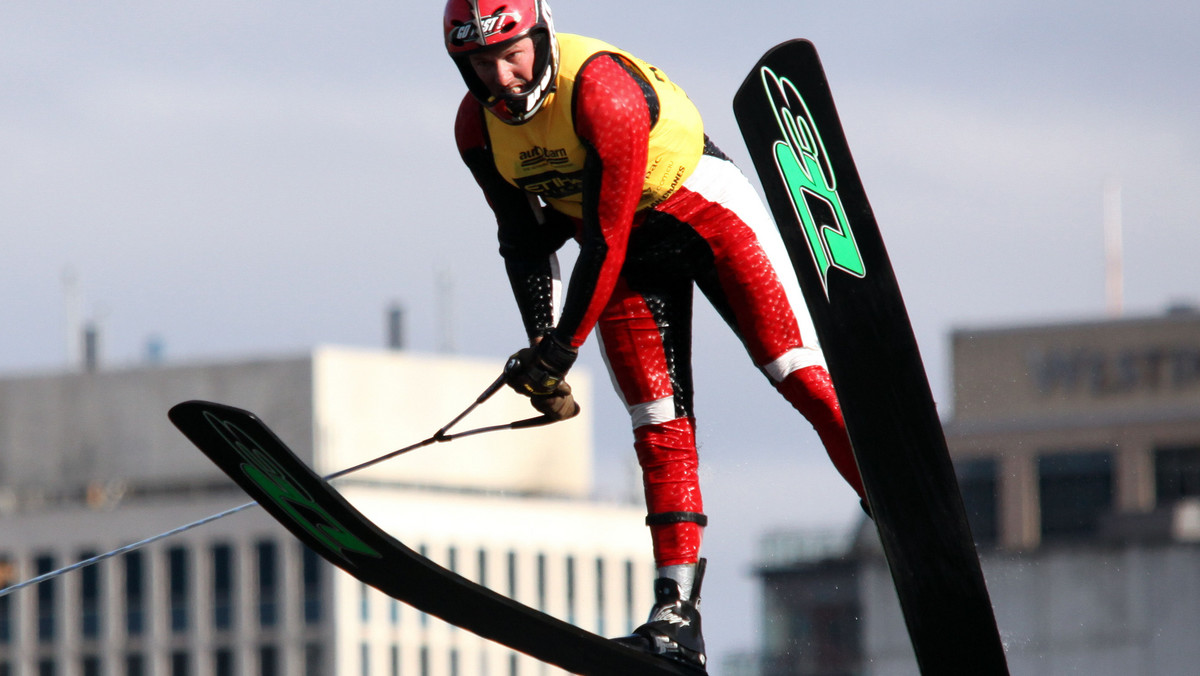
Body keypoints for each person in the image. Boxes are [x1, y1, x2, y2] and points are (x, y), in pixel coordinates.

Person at [444, 0, 867, 669]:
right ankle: (676, 615)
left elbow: (605, 238)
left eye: (513, 53)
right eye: (482, 63)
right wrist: (542, 349)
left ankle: (890, 505)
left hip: (702, 218)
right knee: (656, 425)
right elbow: (523, 240)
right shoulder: (476, 127)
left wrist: (559, 349)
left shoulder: (602, 93)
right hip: (619, 257)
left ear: (544, 36)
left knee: (799, 378)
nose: (503, 76)